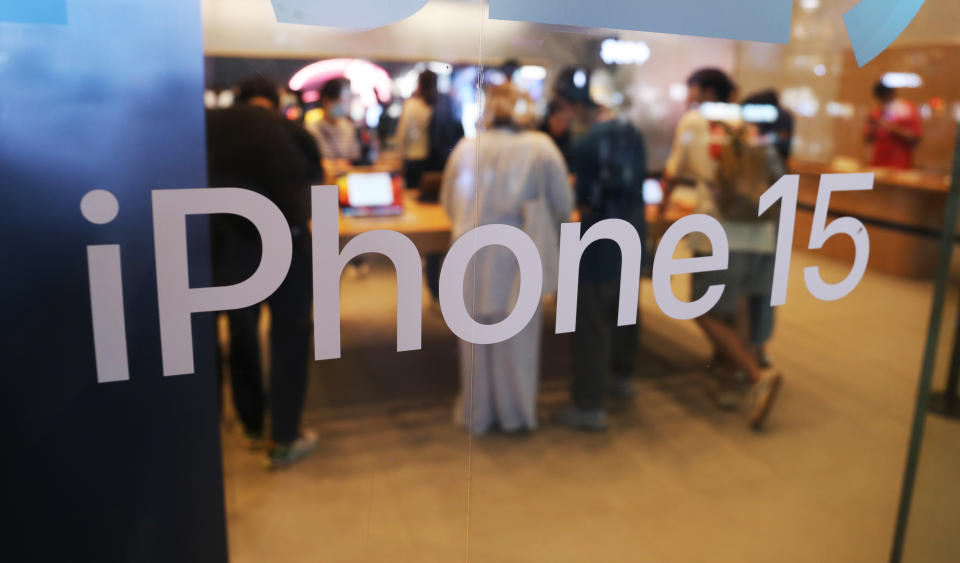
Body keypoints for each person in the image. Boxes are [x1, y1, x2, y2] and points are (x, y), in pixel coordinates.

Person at [440, 84, 573, 435]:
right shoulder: (540, 148)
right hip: (518, 250)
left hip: (469, 249)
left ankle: (477, 414)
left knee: (473, 339)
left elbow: (447, 200)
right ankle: (515, 416)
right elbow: (563, 202)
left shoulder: (468, 148)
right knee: (518, 341)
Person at [206, 77, 321, 467]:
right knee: (290, 336)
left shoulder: (209, 126)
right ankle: (284, 438)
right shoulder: (292, 131)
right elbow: (314, 194)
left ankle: (251, 425)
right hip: (285, 242)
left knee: (241, 333)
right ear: (274, 102)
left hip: (228, 244)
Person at [663, 68, 782, 430]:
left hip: (718, 231)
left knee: (704, 309)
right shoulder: (745, 120)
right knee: (734, 309)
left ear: (705, 91)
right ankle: (727, 386)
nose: (688, 97)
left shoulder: (695, 121)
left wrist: (662, 204)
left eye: (692, 89)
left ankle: (757, 377)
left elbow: (674, 169)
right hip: (759, 231)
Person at [547, 68, 647, 432]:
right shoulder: (629, 129)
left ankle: (589, 406)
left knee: (591, 320)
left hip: (598, 238)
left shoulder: (587, 142)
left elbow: (587, 198)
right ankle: (622, 378)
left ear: (573, 104)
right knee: (625, 310)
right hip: (633, 231)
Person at [308, 78, 361, 177]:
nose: (345, 105)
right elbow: (309, 165)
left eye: (348, 100)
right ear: (326, 101)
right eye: (342, 100)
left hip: (346, 183)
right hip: (324, 185)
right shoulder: (311, 130)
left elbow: (355, 159)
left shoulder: (349, 128)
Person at [864, 81, 922, 169]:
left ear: (891, 94)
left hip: (899, 166)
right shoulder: (877, 112)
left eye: (885, 98)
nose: (883, 102)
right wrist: (872, 128)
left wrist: (892, 127)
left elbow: (915, 139)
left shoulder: (907, 110)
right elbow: (867, 138)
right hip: (878, 164)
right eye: (881, 99)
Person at [396, 70, 438, 189]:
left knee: (412, 197)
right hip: (432, 161)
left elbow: (402, 134)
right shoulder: (435, 106)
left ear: (419, 84)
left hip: (412, 159)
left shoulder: (411, 105)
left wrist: (399, 157)